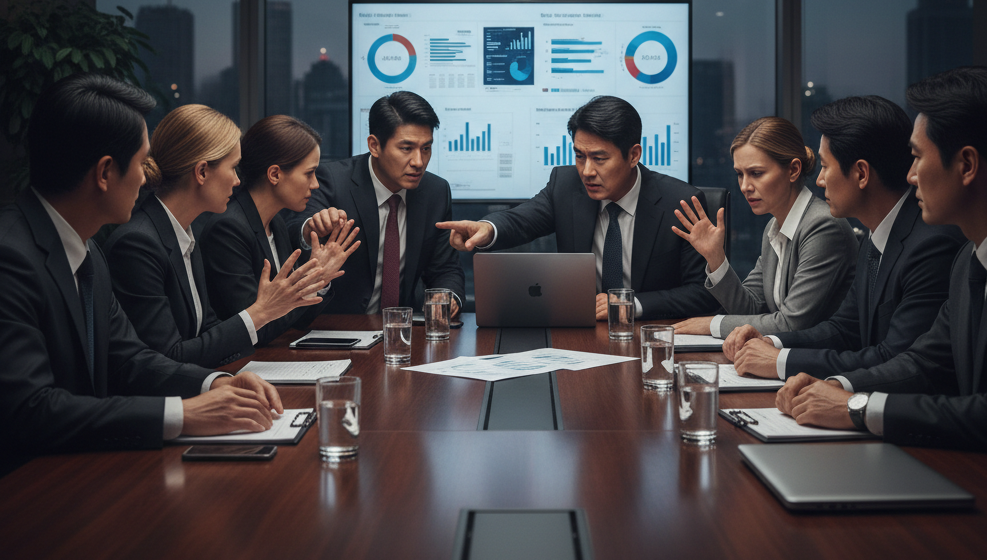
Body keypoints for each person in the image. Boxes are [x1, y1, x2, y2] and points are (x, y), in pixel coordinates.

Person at [0, 74, 285, 476]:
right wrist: (183, 415)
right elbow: (32, 409)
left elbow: (130, 358)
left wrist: (213, 384)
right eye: (140, 162)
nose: (148, 176)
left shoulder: (88, 249)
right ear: (104, 173)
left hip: (82, 471)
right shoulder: (10, 257)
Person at [776, 66, 987, 457]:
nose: (909, 176)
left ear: (967, 165)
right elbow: (923, 362)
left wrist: (856, 408)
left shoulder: (943, 248)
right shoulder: (968, 262)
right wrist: (839, 388)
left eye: (918, 157)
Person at [723, 96, 963, 379]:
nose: (820, 179)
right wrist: (771, 343)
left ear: (861, 173)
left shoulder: (931, 245)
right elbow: (844, 328)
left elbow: (894, 357)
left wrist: (780, 361)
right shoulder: (877, 234)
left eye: (825, 166)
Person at [104, 105, 345, 368]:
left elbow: (208, 329)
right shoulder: (138, 244)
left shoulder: (183, 231)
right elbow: (166, 359)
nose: (237, 180)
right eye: (233, 168)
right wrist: (261, 312)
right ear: (202, 172)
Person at [437, 95, 715, 320]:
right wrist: (487, 228)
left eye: (599, 158)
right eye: (580, 156)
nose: (587, 171)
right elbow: (523, 219)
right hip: (580, 335)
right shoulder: (566, 184)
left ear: (633, 155)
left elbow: (702, 293)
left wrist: (629, 304)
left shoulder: (679, 202)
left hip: (650, 335)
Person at [672, 116, 858, 338]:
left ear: (793, 170)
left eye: (756, 173)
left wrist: (712, 325)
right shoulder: (775, 226)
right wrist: (715, 258)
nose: (744, 186)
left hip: (820, 366)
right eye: (740, 174)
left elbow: (791, 324)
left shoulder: (822, 226)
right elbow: (750, 308)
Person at [289, 91, 464, 314]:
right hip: (339, 326)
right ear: (374, 145)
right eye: (406, 148)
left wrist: (447, 295)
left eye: (426, 148)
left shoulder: (435, 192)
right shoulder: (333, 181)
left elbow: (445, 267)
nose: (419, 162)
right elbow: (295, 226)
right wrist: (311, 228)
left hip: (403, 330)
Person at [201, 115, 361, 343]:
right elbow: (256, 328)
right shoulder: (228, 229)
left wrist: (318, 280)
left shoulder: (275, 222)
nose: (315, 184)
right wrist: (314, 279)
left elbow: (298, 320)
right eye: (309, 173)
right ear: (275, 174)